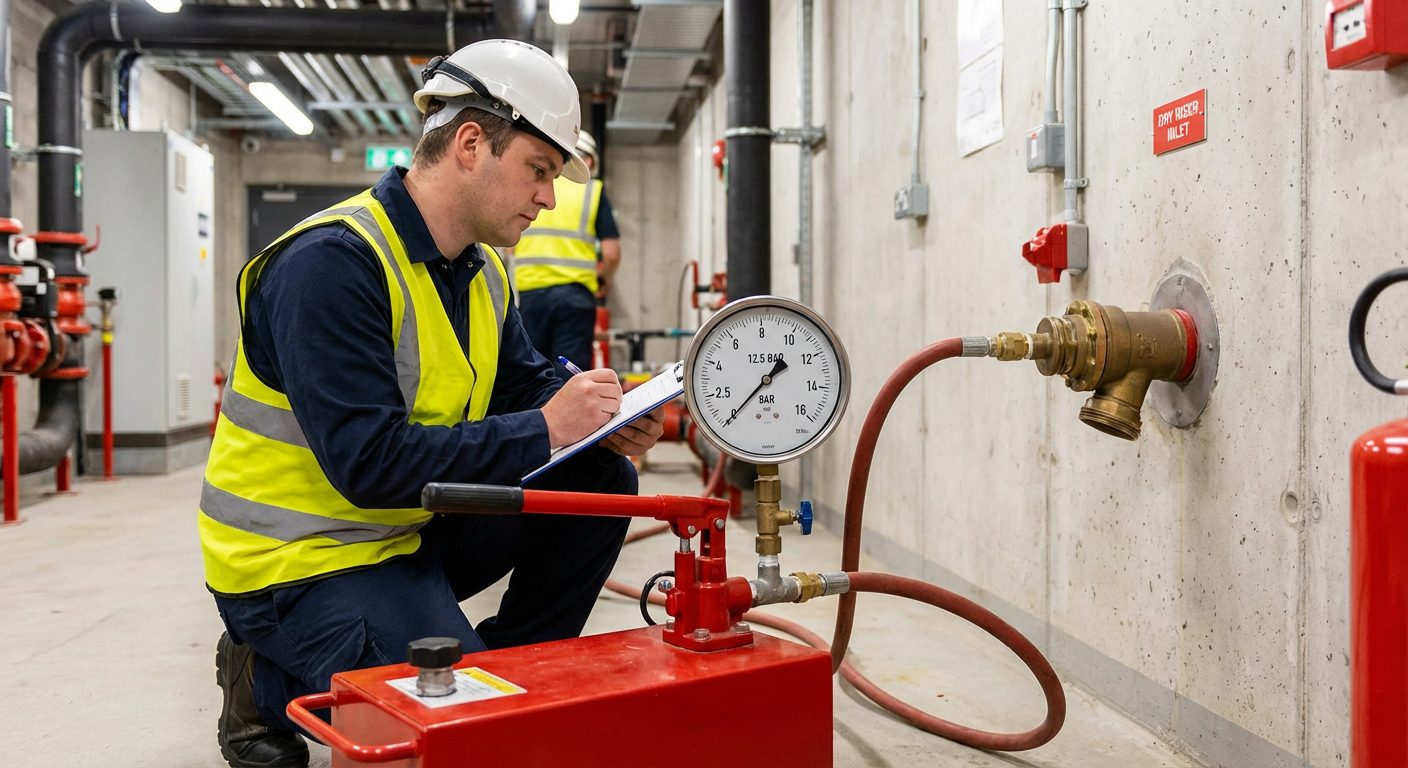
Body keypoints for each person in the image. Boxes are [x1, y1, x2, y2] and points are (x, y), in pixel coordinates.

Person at [198, 39, 664, 768]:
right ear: (471, 145)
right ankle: (264, 675)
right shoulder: (331, 265)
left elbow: (524, 386)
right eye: (539, 170)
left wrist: (601, 414)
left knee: (599, 478)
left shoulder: (481, 271)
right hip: (299, 561)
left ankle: (502, 675)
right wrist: (546, 427)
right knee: (458, 737)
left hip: (405, 531)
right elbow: (370, 464)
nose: (549, 197)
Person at [513, 129, 622, 377]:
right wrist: (604, 280)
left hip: (531, 294)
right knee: (569, 374)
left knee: (530, 375)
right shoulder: (593, 191)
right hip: (576, 297)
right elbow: (611, 253)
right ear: (589, 161)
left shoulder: (533, 187)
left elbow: (510, 244)